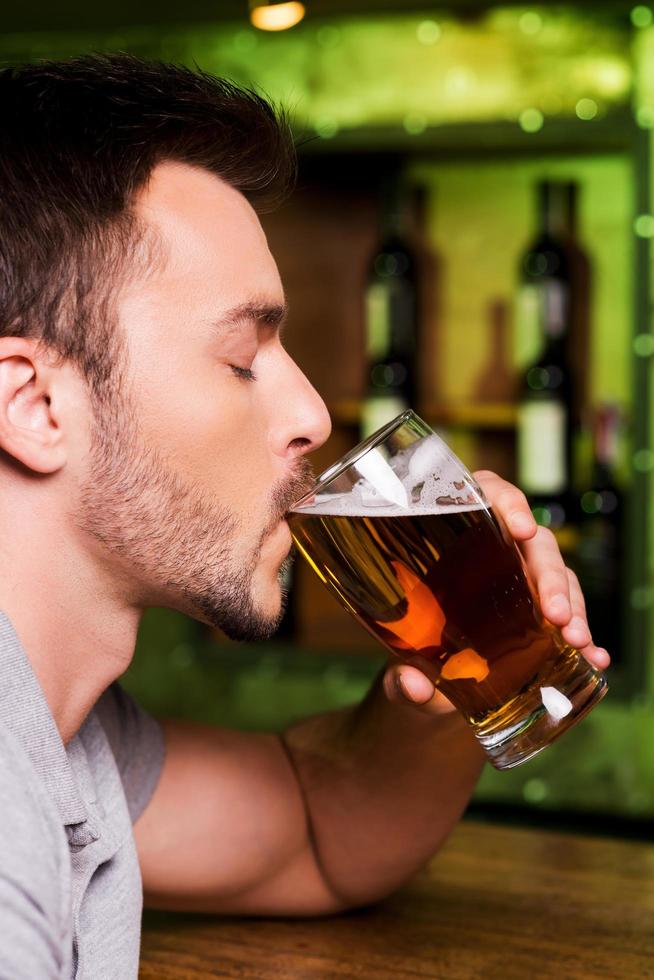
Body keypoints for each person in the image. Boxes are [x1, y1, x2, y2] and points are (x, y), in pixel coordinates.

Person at [0, 54, 609, 979]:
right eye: (243, 358)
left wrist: (450, 685)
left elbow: (320, 833)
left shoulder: (63, 737)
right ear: (35, 406)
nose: (315, 417)